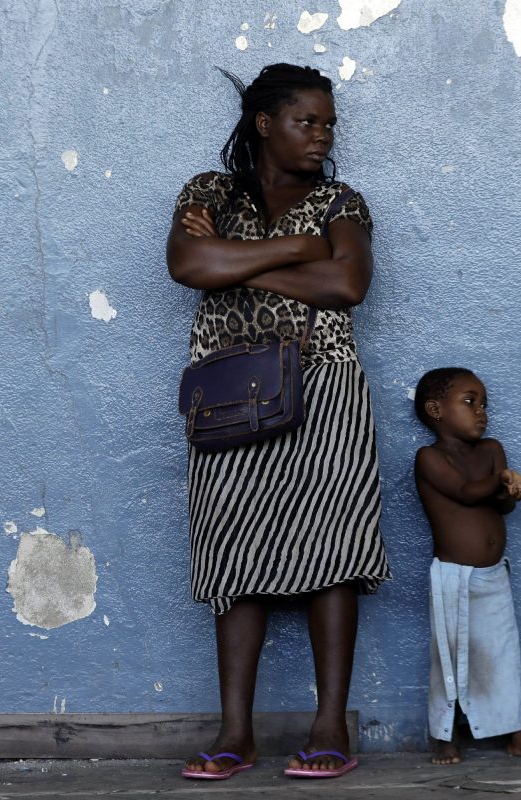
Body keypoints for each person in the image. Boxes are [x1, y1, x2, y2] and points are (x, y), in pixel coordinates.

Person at [167, 63, 389, 781]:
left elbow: (347, 282)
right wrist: (298, 249)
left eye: (329, 124)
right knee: (233, 552)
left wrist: (232, 263)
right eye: (307, 121)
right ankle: (236, 732)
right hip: (227, 389)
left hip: (324, 386)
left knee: (333, 548)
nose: (323, 136)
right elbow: (187, 263)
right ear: (265, 123)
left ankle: (330, 726)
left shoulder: (341, 201)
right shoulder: (211, 190)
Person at [412, 367, 521, 765]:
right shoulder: (430, 458)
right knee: (450, 657)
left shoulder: (492, 450)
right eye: (470, 402)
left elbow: (500, 506)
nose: (481, 412)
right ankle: (444, 735)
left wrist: (511, 491)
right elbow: (465, 493)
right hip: (453, 577)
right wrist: (502, 479)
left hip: (493, 576)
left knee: (503, 652)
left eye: (484, 404)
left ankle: (516, 732)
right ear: (436, 410)